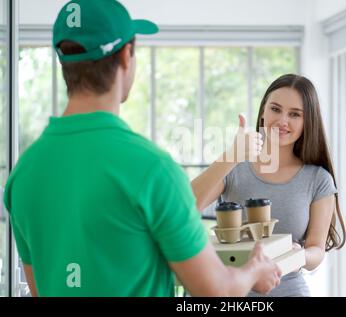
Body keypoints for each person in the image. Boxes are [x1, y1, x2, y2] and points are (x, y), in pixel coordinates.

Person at [3, 0, 281, 297]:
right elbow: (217, 291)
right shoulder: (153, 169)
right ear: (126, 56)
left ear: (64, 63)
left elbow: (41, 290)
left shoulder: (23, 175)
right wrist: (254, 271)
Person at [192, 74, 346, 297]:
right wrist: (232, 156)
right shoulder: (234, 166)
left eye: (294, 114)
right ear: (263, 111)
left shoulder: (318, 180)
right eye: (275, 109)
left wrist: (299, 255)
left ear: (307, 122)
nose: (282, 120)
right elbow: (184, 207)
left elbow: (317, 250)